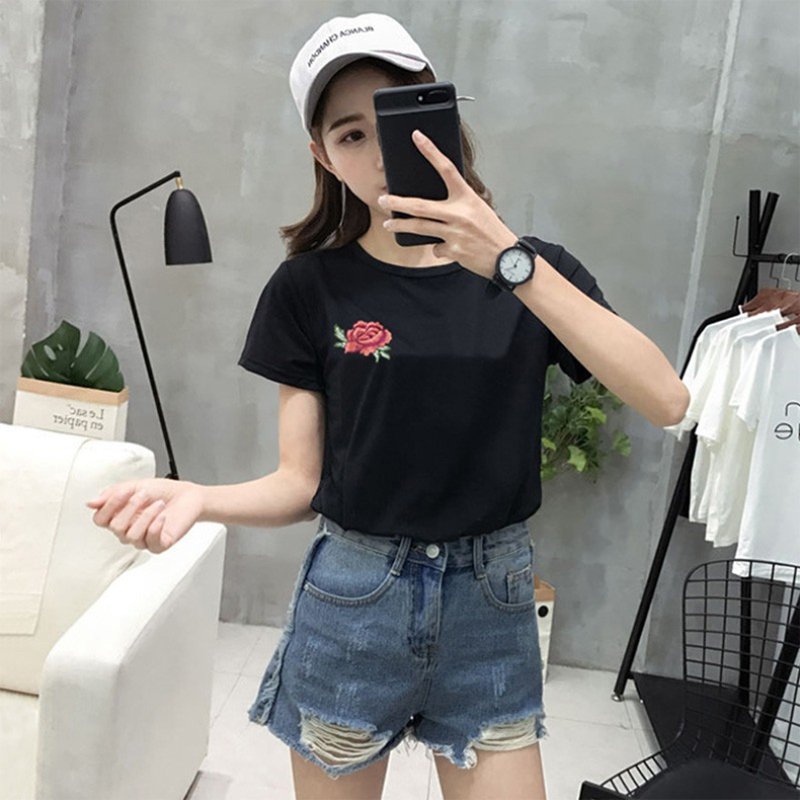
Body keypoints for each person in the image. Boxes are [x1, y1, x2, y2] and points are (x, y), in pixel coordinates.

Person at [87, 12, 689, 800]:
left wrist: (508, 262)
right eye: (350, 135)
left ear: (445, 118)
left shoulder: (533, 272)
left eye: (398, 120)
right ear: (322, 155)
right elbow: (299, 483)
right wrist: (200, 497)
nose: (377, 154)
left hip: (492, 606)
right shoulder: (308, 288)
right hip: (353, 603)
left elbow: (666, 398)